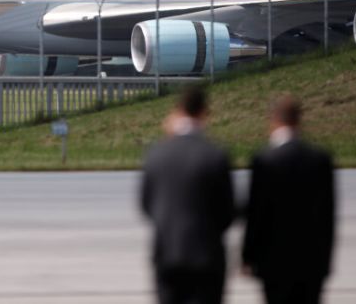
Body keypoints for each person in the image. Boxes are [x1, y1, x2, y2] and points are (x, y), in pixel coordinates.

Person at [141, 85, 235, 304]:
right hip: (206, 255)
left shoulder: (157, 153)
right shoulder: (216, 154)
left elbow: (146, 204)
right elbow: (228, 212)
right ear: (204, 112)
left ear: (177, 111)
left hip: (168, 253)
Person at [242, 95, 336, 304]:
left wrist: (248, 255)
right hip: (311, 261)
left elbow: (256, 214)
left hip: (273, 261)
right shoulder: (320, 159)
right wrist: (326, 261)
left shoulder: (264, 160)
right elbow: (327, 216)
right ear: (299, 120)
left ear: (274, 120)